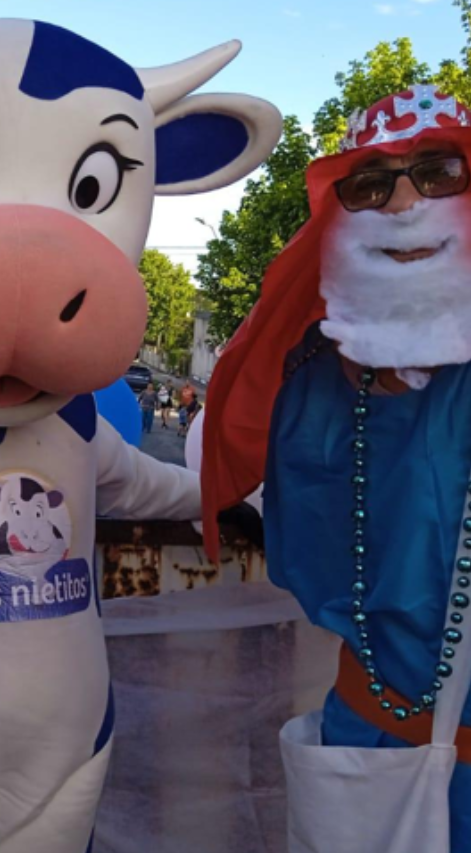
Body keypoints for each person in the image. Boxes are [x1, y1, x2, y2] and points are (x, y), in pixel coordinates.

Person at [203, 86, 471, 852]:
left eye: (437, 170)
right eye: (370, 183)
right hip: (362, 746)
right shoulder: (302, 377)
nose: (404, 201)